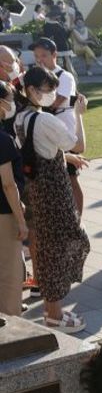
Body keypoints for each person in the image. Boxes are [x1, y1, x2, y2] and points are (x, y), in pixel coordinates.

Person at [13, 67, 90, 332]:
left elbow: (40, 149)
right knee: (61, 248)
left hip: (35, 192)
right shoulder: (45, 120)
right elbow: (78, 143)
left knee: (45, 249)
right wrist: (78, 115)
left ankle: (52, 310)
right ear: (32, 90)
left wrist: (66, 158)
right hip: (54, 195)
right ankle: (54, 315)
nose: (53, 95)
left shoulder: (21, 118)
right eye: (48, 89)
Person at [29, 37, 88, 218]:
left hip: (66, 133)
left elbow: (54, 102)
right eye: (37, 56)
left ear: (55, 55)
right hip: (48, 133)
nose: (40, 60)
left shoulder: (65, 76)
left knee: (71, 177)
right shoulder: (37, 75)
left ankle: (77, 216)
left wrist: (32, 95)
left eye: (44, 55)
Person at [0, 81, 25, 316]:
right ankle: (13, 333)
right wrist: (21, 220)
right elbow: (8, 184)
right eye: (9, 99)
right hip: (3, 215)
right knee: (10, 276)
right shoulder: (3, 140)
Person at [41, 7, 74, 74]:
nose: (59, 17)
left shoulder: (49, 25)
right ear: (54, 16)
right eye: (58, 15)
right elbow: (65, 36)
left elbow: (47, 37)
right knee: (66, 65)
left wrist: (69, 30)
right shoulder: (56, 25)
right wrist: (69, 30)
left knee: (62, 65)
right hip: (61, 46)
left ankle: (63, 79)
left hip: (59, 46)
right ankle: (72, 80)